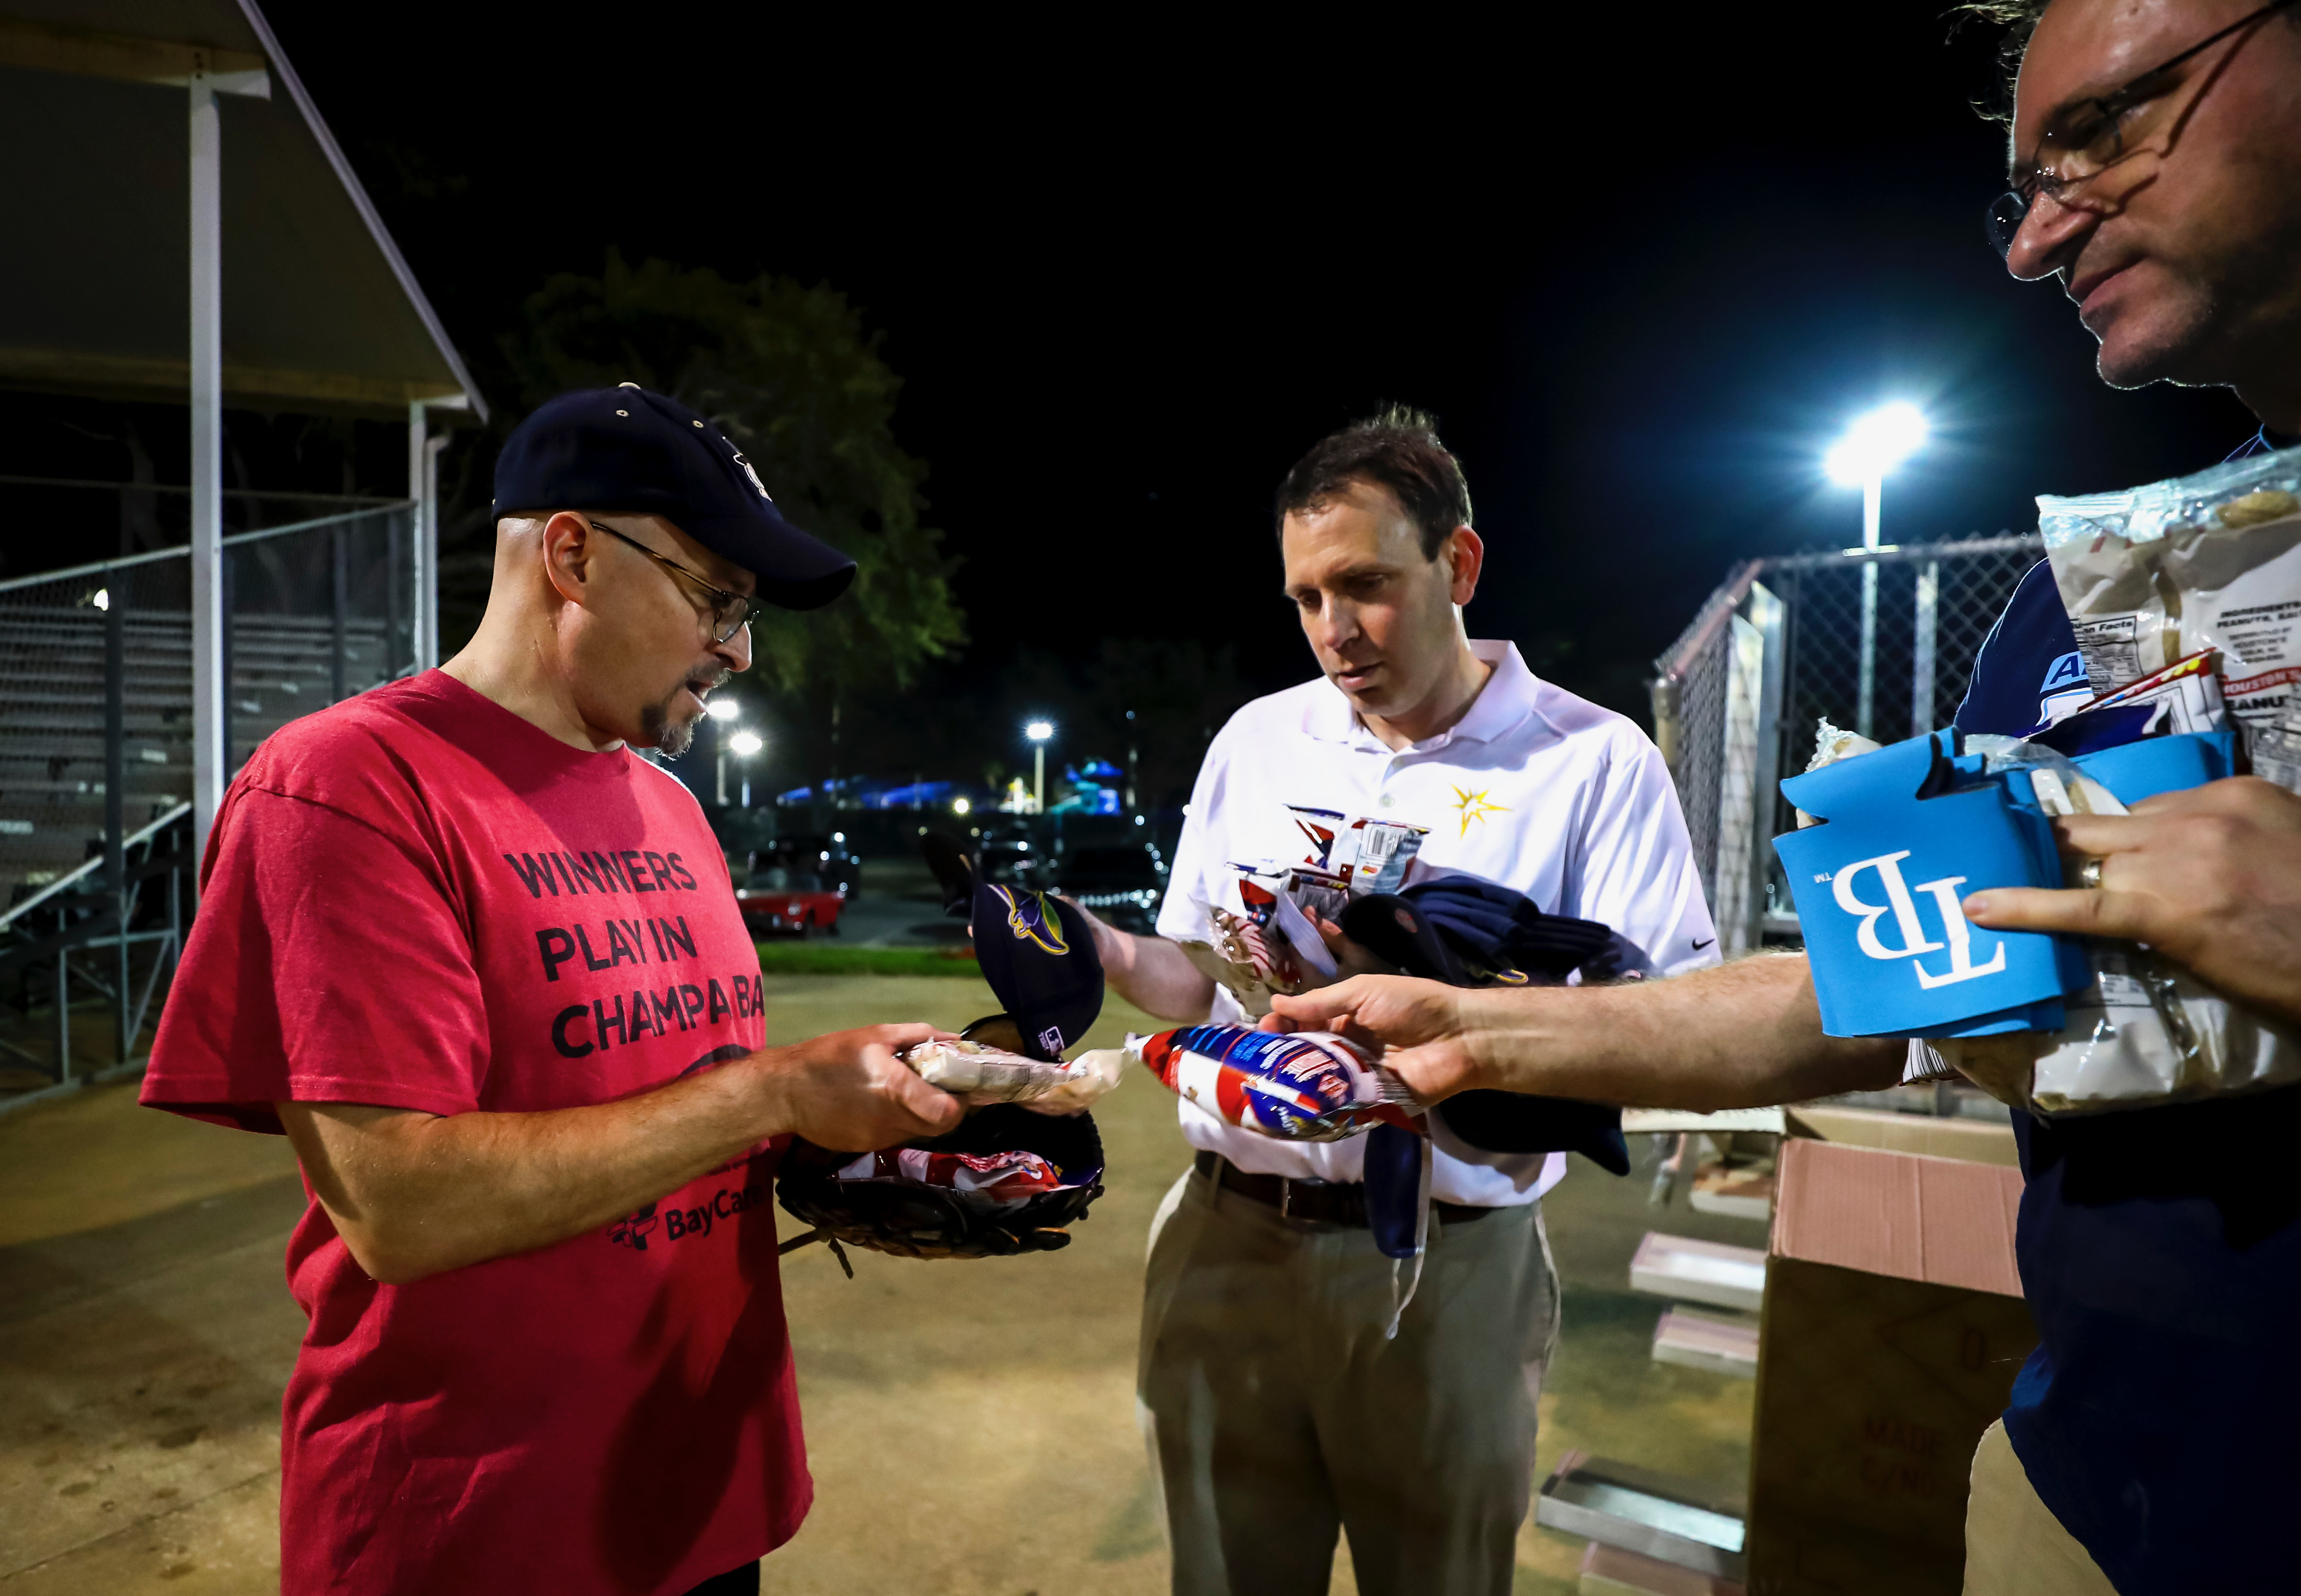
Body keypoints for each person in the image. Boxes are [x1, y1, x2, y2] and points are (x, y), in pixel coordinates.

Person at [1273, 3, 2301, 1593]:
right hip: (2087, 1511)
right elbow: (1865, 987)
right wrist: (1493, 1033)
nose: (2034, 240)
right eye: (2024, 180)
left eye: (2109, 125)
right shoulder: (2119, 590)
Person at [138, 385, 963, 1596]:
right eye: (716, 598)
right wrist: (773, 1093)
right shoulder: (346, 787)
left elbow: (661, 1107)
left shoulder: (671, 805)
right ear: (571, 554)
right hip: (477, 1526)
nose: (737, 650)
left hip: (697, 1492)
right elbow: (399, 1206)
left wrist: (872, 1145)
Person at [1075, 407, 1718, 1596]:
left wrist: (1476, 1025)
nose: (1332, 629)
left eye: (1362, 585)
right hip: (1225, 1235)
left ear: (1457, 563)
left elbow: (1663, 1026)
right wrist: (1097, 948)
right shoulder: (1259, 739)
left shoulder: (1592, 759)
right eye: (1305, 598)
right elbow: (1195, 973)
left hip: (1448, 1256)